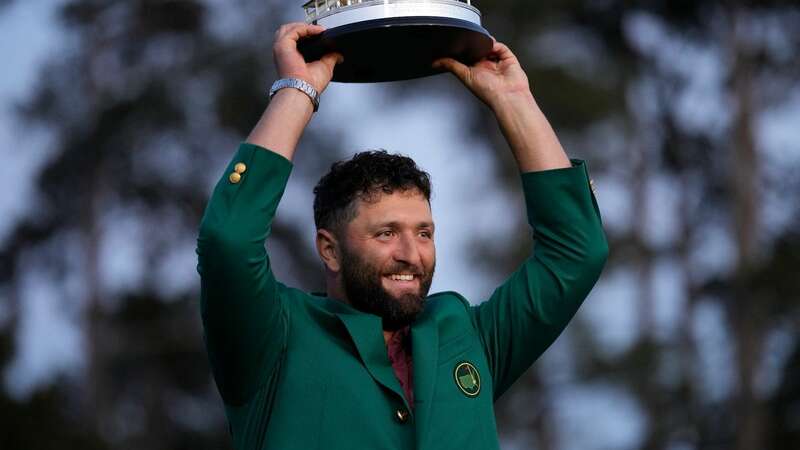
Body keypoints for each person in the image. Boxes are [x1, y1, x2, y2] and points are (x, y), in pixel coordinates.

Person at [196, 22, 608, 450]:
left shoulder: (467, 335)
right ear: (329, 250)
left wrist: (514, 101)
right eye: (386, 233)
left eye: (424, 233)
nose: (411, 253)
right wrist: (297, 89)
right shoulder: (274, 336)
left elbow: (577, 251)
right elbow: (228, 238)